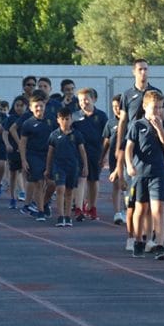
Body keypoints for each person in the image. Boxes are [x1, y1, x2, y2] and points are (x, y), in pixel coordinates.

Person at [115, 59, 164, 252]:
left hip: (156, 159)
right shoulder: (127, 95)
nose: (144, 72)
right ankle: (134, 238)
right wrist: (120, 149)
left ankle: (155, 241)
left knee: (156, 208)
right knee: (137, 206)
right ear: (134, 72)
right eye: (140, 69)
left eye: (146, 69)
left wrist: (160, 127)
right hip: (136, 153)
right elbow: (123, 122)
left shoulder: (157, 94)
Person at [125, 90, 164, 260]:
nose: (157, 111)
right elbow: (129, 149)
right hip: (140, 173)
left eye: (160, 107)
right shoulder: (137, 125)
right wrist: (129, 165)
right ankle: (138, 240)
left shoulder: (162, 124)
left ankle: (159, 244)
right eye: (154, 107)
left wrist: (159, 128)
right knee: (141, 208)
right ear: (145, 107)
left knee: (158, 209)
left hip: (158, 172)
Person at [45, 108, 88, 227]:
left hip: (73, 166)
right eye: (62, 119)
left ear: (71, 120)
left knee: (69, 191)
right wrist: (48, 169)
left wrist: (85, 166)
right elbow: (50, 153)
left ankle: (68, 216)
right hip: (59, 166)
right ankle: (60, 216)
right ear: (58, 120)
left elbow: (82, 151)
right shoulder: (54, 135)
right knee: (60, 189)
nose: (65, 121)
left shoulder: (77, 134)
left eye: (67, 119)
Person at [19, 91, 57, 221]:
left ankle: (43, 203)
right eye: (36, 106)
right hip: (34, 155)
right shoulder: (27, 123)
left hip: (49, 155)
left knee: (52, 184)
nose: (39, 108)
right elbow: (23, 143)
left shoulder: (51, 120)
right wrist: (23, 160)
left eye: (41, 105)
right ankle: (40, 211)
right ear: (31, 108)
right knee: (39, 182)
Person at [72, 88, 108, 221]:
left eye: (86, 99)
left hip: (95, 152)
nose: (83, 102)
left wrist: (104, 155)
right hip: (78, 153)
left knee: (93, 180)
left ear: (94, 99)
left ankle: (92, 207)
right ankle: (78, 208)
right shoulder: (75, 116)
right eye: (81, 100)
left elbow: (106, 137)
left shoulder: (102, 116)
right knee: (81, 179)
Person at [102, 95, 127, 231]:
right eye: (114, 107)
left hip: (128, 158)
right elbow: (106, 141)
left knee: (128, 185)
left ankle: (128, 209)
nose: (117, 109)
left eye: (119, 106)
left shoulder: (130, 122)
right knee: (116, 184)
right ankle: (118, 212)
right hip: (114, 157)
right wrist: (102, 157)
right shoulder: (110, 123)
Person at [2, 96, 27, 209]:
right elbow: (5, 133)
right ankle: (12, 197)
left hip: (27, 150)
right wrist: (7, 144)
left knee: (27, 173)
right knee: (13, 174)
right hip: (14, 150)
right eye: (17, 105)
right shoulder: (11, 118)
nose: (19, 108)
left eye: (22, 105)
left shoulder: (29, 117)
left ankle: (27, 196)